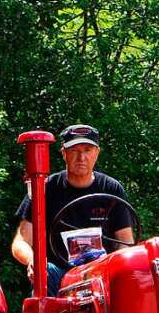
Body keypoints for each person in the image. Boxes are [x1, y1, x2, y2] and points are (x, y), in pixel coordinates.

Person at [11, 124, 135, 296]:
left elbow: (125, 243)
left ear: (96, 153)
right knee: (44, 273)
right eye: (74, 150)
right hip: (59, 274)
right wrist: (34, 261)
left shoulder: (111, 189)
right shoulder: (45, 188)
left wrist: (113, 269)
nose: (81, 157)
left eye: (87, 150)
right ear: (64, 153)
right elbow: (21, 241)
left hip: (101, 273)